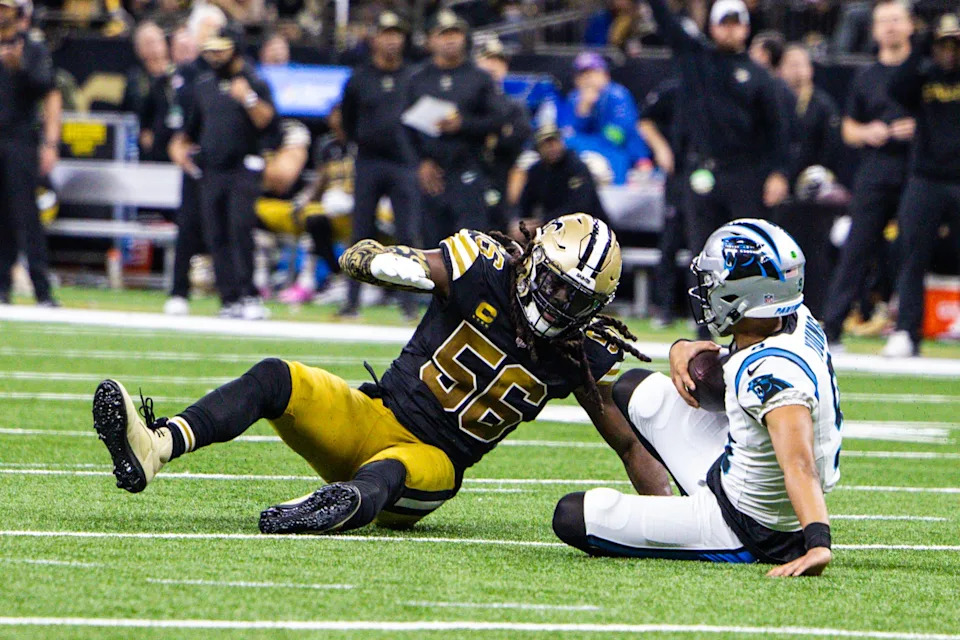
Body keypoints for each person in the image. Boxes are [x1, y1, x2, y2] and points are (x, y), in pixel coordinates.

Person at [91, 213, 671, 534]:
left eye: (577, 300)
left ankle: (330, 509)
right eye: (553, 286)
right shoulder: (480, 268)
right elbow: (361, 258)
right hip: (375, 415)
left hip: (435, 467)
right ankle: (155, 445)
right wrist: (393, 264)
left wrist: (668, 519)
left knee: (393, 470)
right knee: (275, 377)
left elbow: (627, 441)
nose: (560, 307)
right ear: (533, 263)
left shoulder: (580, 349)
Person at [553, 218, 841, 578]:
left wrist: (817, 544)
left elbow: (799, 463)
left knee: (573, 515)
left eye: (715, 281)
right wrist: (682, 348)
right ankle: (675, 520)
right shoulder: (792, 316)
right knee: (637, 391)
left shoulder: (773, 375)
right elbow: (743, 369)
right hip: (736, 475)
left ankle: (689, 531)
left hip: (751, 527)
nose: (706, 290)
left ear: (745, 293)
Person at [645, 0, 792, 261]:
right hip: (702, 171)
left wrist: (779, 173)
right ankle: (701, 304)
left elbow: (778, 131)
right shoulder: (697, 60)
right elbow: (667, 24)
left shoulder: (760, 77)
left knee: (746, 254)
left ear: (746, 28)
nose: (730, 30)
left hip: (745, 175)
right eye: (724, 24)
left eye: (736, 24)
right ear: (712, 27)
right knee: (702, 257)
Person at [821, 0, 915, 347]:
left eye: (896, 20)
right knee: (855, 248)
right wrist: (868, 132)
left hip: (915, 171)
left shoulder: (922, 72)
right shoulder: (866, 76)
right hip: (875, 171)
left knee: (910, 250)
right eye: (883, 21)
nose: (890, 27)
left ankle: (906, 328)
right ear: (874, 30)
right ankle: (831, 328)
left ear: (910, 26)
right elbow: (848, 128)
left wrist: (919, 127)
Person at [168, 24, 277, 320]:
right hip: (212, 168)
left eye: (222, 49)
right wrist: (178, 148)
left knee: (240, 229)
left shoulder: (255, 81)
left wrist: (249, 99)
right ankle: (229, 298)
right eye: (212, 49)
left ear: (236, 48)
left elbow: (269, 124)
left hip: (243, 166)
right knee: (216, 234)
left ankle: (249, 295)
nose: (215, 56)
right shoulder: (204, 85)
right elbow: (191, 129)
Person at [882, 13, 960, 357]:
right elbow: (895, 89)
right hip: (925, 178)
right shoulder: (922, 74)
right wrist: (921, 47)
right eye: (943, 44)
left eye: (954, 44)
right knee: (911, 253)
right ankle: (905, 330)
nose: (949, 52)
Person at [339, 11, 422, 318]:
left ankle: (409, 304)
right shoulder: (360, 78)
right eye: (385, 33)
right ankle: (351, 301)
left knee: (408, 234)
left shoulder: (413, 77)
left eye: (396, 34)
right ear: (375, 39)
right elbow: (346, 120)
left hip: (404, 162)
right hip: (369, 161)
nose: (391, 40)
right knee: (360, 230)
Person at [405, 9, 509, 248]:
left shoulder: (479, 78)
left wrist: (463, 124)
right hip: (432, 173)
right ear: (430, 39)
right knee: (432, 246)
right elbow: (404, 126)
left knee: (470, 246)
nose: (450, 39)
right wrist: (420, 162)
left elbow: (498, 120)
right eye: (443, 34)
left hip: (469, 169)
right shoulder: (417, 79)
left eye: (456, 33)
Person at [772, 43, 843, 319]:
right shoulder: (774, 99)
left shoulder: (823, 105)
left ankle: (817, 313)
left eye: (802, 64)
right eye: (791, 64)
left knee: (815, 256)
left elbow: (833, 149)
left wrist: (820, 177)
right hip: (780, 195)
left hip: (814, 199)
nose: (797, 71)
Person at [0, 0, 59, 306]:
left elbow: (48, 91)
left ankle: (42, 290)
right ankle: (2, 287)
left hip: (20, 139)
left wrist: (51, 143)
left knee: (27, 215)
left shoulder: (33, 48)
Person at [557, 52, 649, 185]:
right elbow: (567, 132)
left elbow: (618, 135)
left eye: (592, 73)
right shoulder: (575, 98)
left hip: (622, 151)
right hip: (587, 149)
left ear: (605, 75)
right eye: (582, 74)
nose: (588, 78)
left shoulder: (617, 95)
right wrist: (583, 110)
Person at [639, 78, 686, 327]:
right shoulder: (675, 89)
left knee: (708, 247)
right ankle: (664, 308)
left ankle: (704, 313)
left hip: (714, 175)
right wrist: (661, 148)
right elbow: (645, 119)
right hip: (680, 175)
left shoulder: (720, 87)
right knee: (670, 244)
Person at [474, 37, 532, 231]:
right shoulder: (466, 102)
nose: (493, 65)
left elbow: (520, 135)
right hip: (468, 176)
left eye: (499, 60)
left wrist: (492, 137)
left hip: (502, 175)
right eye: (487, 59)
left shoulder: (513, 106)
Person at [518, 125, 607, 225]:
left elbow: (580, 207)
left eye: (554, 142)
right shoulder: (536, 171)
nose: (551, 148)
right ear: (538, 148)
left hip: (588, 227)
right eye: (546, 144)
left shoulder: (576, 167)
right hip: (554, 227)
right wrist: (522, 224)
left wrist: (541, 222)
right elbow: (525, 204)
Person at [122, 21, 170, 117]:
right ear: (138, 49)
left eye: (156, 42)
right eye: (148, 43)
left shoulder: (178, 74)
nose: (153, 48)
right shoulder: (135, 78)